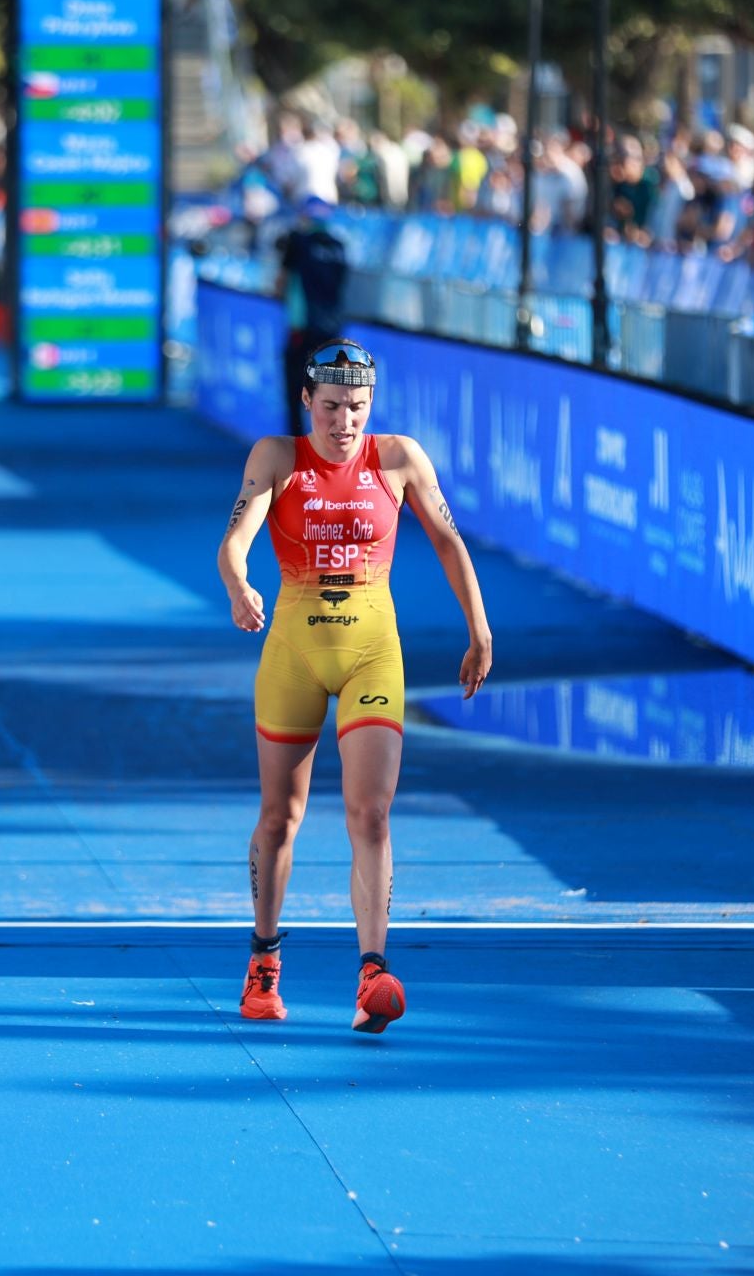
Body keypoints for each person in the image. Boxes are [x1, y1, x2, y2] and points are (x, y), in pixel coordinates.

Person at [217, 340, 493, 1033]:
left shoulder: (398, 458)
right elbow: (236, 538)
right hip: (293, 655)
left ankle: (374, 973)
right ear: (307, 402)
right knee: (281, 817)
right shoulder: (275, 458)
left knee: (370, 813)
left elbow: (449, 541)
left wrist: (479, 628)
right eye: (334, 407)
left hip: (373, 654)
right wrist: (237, 583)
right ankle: (264, 961)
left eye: (359, 408)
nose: (346, 422)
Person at [274, 198, 349, 437]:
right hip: (333, 330)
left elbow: (280, 284)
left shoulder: (298, 242)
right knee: (331, 392)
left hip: (303, 327)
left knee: (297, 390)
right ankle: (330, 445)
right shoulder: (338, 246)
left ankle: (296, 449)